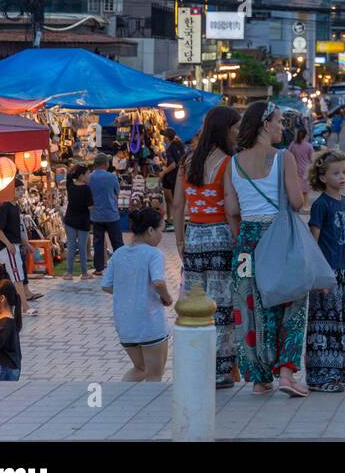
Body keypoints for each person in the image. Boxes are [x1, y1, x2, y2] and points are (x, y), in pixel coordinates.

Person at [225, 100, 310, 398]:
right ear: (265, 125)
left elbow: (232, 209)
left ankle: (260, 379)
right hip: (278, 237)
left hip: (247, 241)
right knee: (292, 300)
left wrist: (244, 238)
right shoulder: (283, 158)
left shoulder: (233, 163)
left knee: (251, 307)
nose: (282, 127)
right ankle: (286, 373)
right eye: (278, 121)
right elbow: (297, 203)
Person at [171, 104, 240, 386]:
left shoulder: (187, 162)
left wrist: (179, 240)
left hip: (195, 236)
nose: (237, 134)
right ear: (223, 130)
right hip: (221, 236)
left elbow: (177, 204)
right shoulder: (228, 162)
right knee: (220, 307)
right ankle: (220, 370)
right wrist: (239, 239)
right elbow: (232, 208)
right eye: (234, 129)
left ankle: (195, 366)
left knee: (194, 306)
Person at [306, 147, 345, 393]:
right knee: (323, 324)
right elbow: (313, 241)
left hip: (343, 273)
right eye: (336, 172)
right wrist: (316, 274)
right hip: (326, 274)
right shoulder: (321, 206)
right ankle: (320, 376)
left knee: (342, 322)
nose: (343, 177)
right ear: (322, 178)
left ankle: (339, 371)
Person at [100, 205, 172, 382]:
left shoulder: (118, 253)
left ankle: (120, 398)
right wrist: (167, 298)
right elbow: (158, 282)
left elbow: (106, 285)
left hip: (125, 325)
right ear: (150, 230)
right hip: (150, 323)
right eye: (161, 230)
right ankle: (152, 409)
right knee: (155, 375)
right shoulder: (154, 254)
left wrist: (129, 290)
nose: (162, 236)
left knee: (140, 369)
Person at [87, 153, 123, 276]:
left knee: (98, 242)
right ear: (105, 164)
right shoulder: (111, 177)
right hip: (111, 214)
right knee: (117, 242)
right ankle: (120, 266)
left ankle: (99, 268)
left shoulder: (89, 178)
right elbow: (117, 192)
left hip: (96, 215)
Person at [62, 164, 93, 281]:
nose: (88, 177)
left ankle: (69, 273)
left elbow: (69, 175)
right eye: (87, 174)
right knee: (82, 247)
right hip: (83, 221)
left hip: (70, 219)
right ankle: (84, 273)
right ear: (81, 176)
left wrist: (74, 167)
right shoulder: (87, 189)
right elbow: (90, 207)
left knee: (71, 246)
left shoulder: (70, 186)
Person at [160, 128, 187, 217]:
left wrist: (163, 173)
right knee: (177, 201)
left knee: (173, 201)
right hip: (180, 176)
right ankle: (171, 219)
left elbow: (173, 165)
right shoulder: (180, 146)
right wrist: (160, 156)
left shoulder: (170, 149)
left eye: (164, 136)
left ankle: (174, 219)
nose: (163, 138)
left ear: (167, 138)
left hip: (172, 178)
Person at [290, 127, 315, 208]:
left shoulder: (293, 145)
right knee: (305, 190)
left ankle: (297, 205)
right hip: (305, 169)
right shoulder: (309, 146)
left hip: (294, 168)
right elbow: (312, 159)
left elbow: (289, 156)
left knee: (297, 188)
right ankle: (306, 205)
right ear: (305, 135)